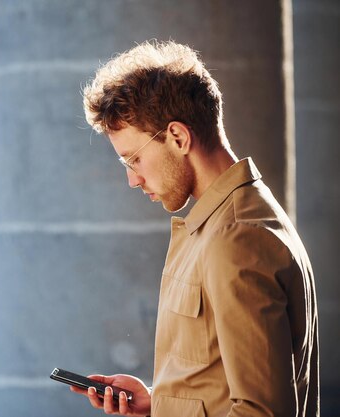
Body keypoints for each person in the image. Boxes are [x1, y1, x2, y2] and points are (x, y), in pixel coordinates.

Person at [70, 41, 319, 417]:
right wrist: (161, 402)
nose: (133, 180)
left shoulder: (237, 237)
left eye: (134, 158)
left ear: (178, 137)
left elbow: (262, 412)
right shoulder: (226, 221)